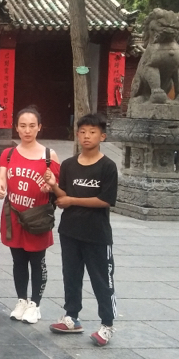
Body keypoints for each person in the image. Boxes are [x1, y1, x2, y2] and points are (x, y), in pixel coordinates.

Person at [45, 112, 119, 346]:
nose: (87, 136)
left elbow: (105, 200)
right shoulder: (68, 164)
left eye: (92, 132)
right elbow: (64, 196)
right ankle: (71, 317)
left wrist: (71, 201)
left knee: (102, 280)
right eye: (83, 132)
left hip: (97, 234)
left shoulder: (108, 166)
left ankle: (107, 325)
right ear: (77, 135)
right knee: (71, 276)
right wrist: (54, 186)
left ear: (102, 136)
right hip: (70, 231)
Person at [0, 106, 60, 324]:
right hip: (14, 216)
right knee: (18, 261)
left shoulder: (49, 155)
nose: (27, 130)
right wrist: (0, 186)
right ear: (16, 127)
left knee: (37, 261)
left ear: (39, 127)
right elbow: (1, 176)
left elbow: (56, 185)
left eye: (32, 126)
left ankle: (35, 304)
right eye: (22, 126)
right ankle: (21, 301)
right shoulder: (9, 153)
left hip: (37, 217)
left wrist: (50, 186)